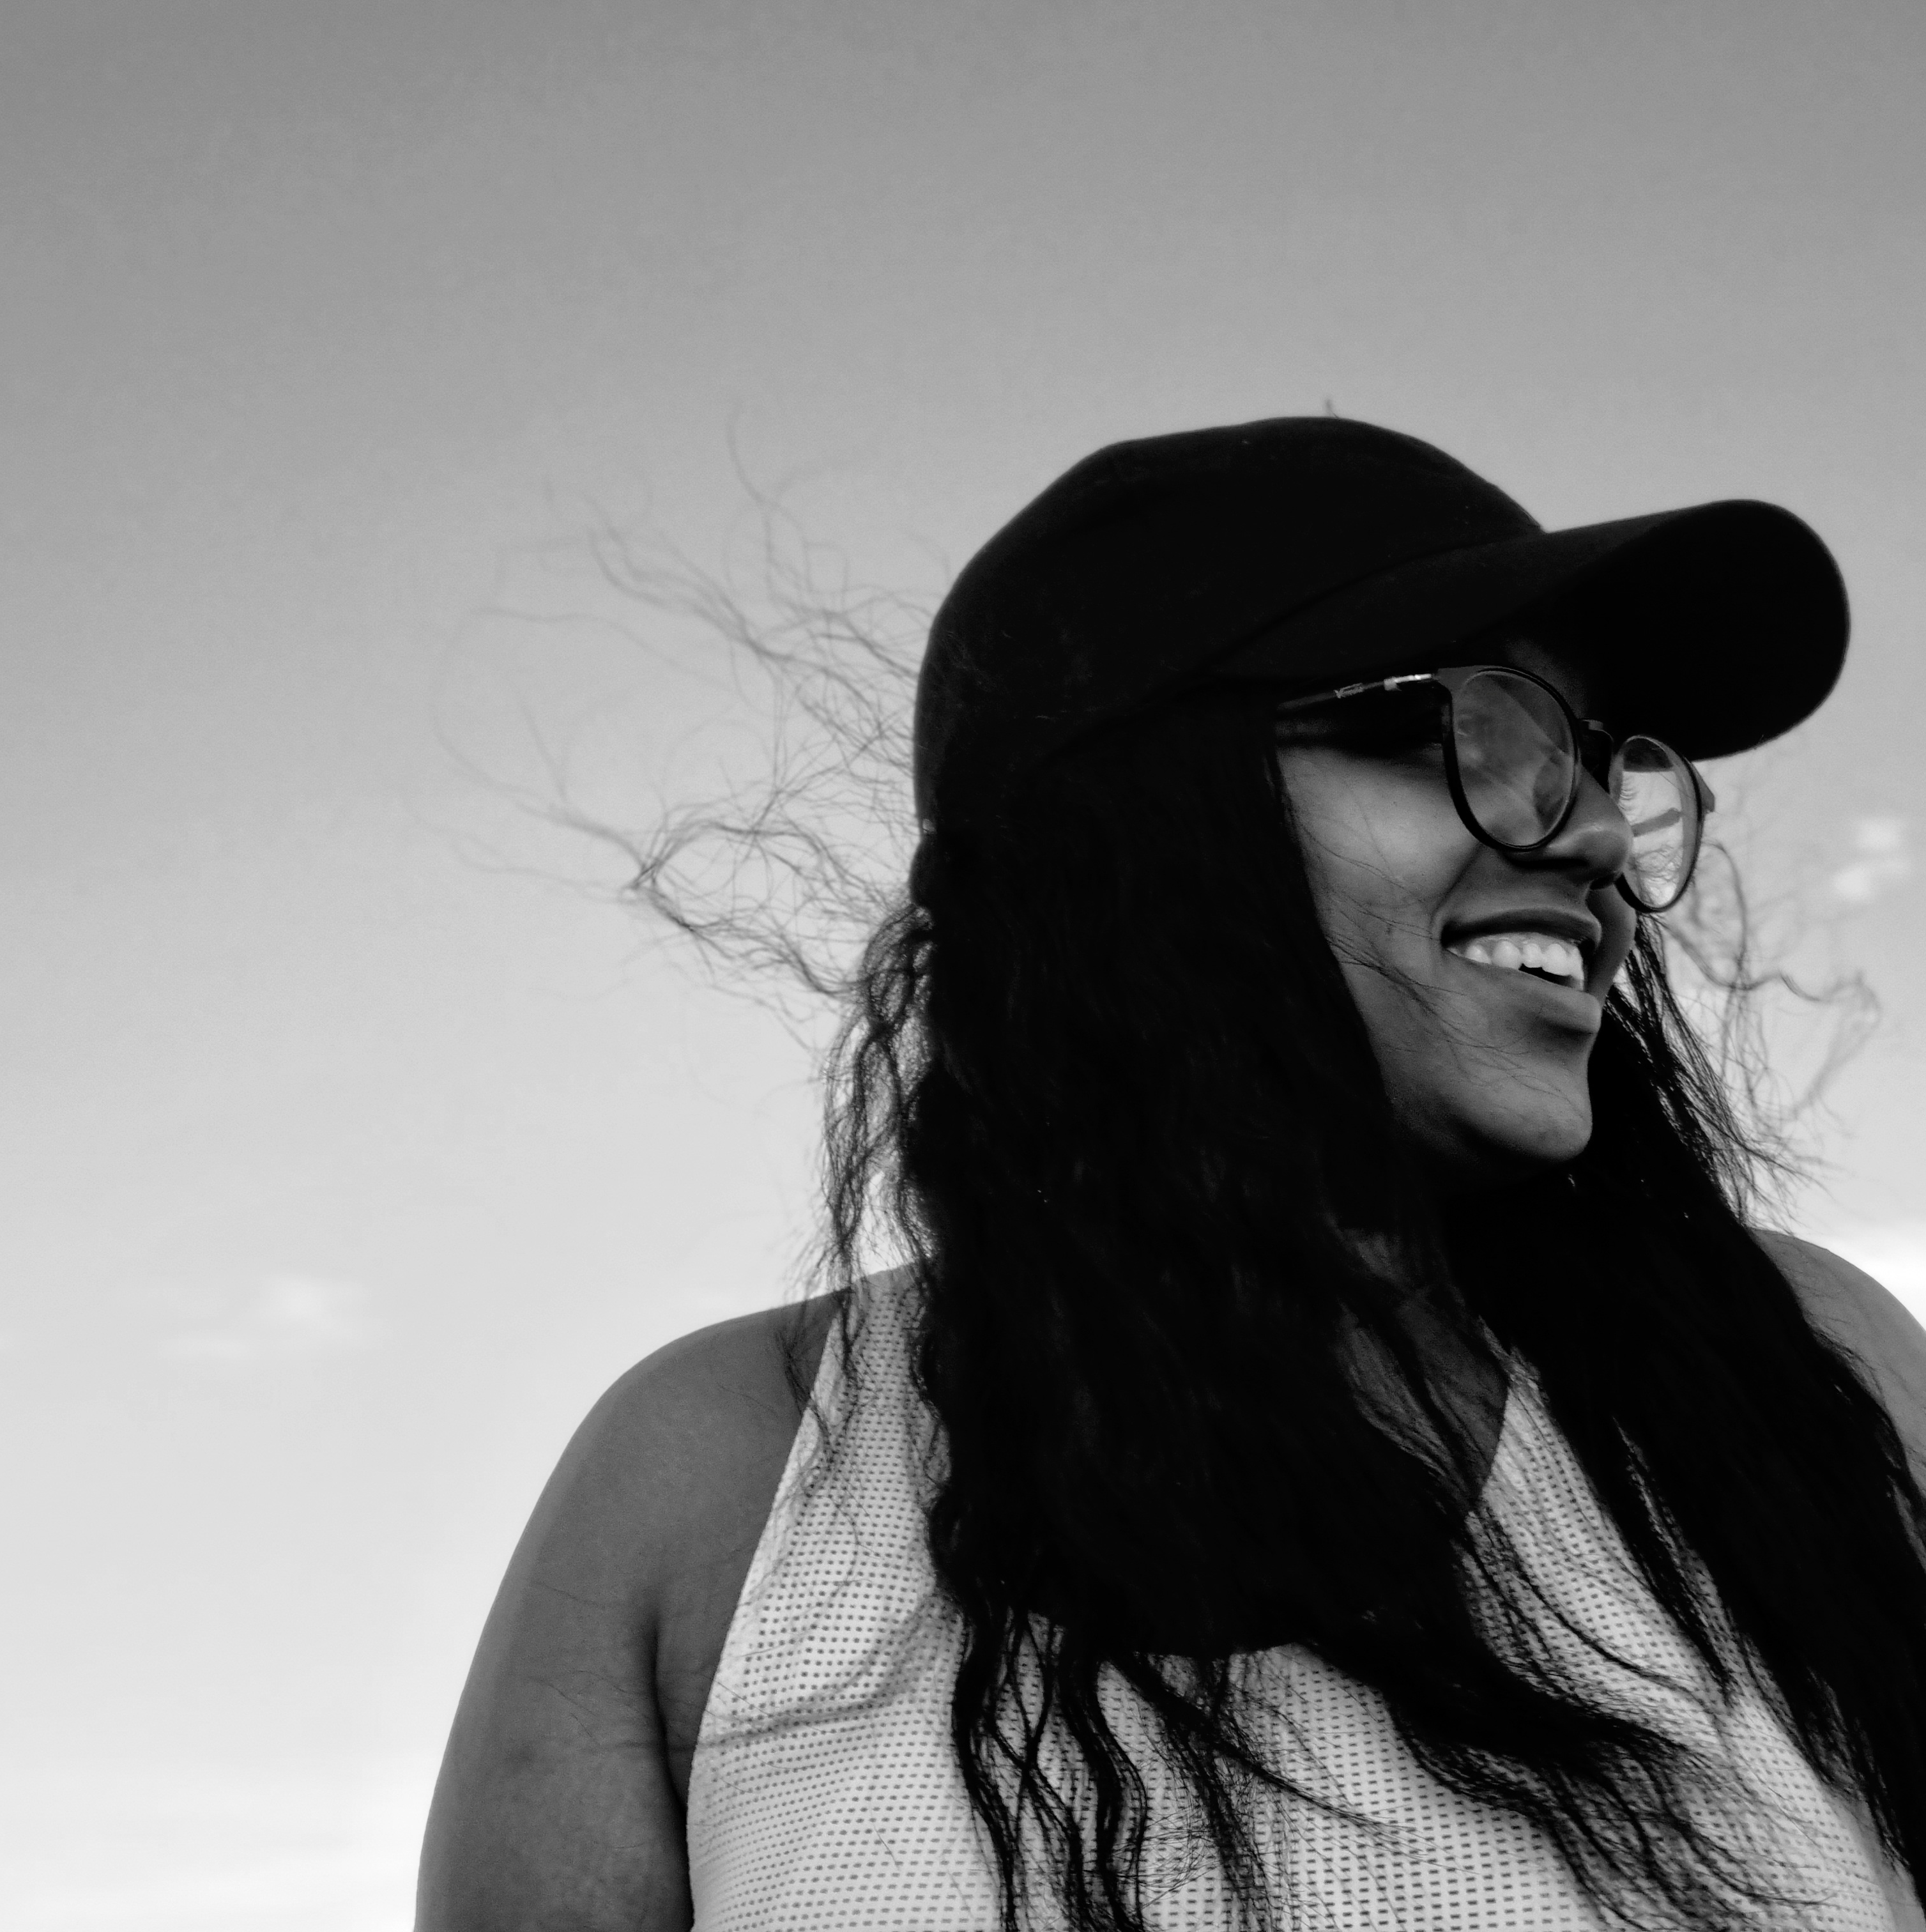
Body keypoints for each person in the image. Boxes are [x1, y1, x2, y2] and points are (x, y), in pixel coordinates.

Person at [417, 418, 1926, 1931]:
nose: (1595, 832)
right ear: (1131, 828)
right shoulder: (719, 1485)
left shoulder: (1812, 1388)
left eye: (1603, 762)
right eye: (1487, 736)